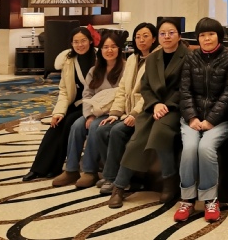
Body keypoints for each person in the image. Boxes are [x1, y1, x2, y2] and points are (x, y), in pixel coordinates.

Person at [107, 18, 187, 210]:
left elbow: (185, 87)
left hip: (175, 108)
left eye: (171, 33)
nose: (167, 37)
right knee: (137, 139)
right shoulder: (152, 58)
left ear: (179, 36)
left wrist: (165, 105)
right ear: (158, 37)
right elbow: (145, 87)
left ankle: (169, 181)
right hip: (152, 106)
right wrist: (155, 104)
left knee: (160, 133)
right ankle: (119, 186)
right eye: (163, 33)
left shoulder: (188, 57)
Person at [175, 17, 228, 223]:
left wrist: (211, 120)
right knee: (189, 148)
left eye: (211, 34)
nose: (207, 38)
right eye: (202, 35)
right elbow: (184, 90)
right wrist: (192, 117)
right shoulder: (190, 58)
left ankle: (210, 199)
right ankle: (187, 199)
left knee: (205, 148)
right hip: (192, 119)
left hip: (221, 120)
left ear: (219, 36)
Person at [52, 30, 124, 188]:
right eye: (105, 47)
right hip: (96, 111)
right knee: (77, 125)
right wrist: (89, 115)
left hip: (114, 112)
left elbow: (124, 94)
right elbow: (87, 94)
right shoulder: (95, 70)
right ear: (101, 49)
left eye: (113, 47)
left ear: (119, 49)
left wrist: (108, 113)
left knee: (95, 126)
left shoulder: (125, 69)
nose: (109, 50)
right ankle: (71, 169)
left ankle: (90, 171)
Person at [22, 27, 95, 182]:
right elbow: (64, 90)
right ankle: (38, 168)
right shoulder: (69, 60)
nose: (80, 45)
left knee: (69, 123)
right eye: (76, 42)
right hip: (76, 103)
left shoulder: (98, 58)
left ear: (90, 41)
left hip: (93, 104)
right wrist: (59, 112)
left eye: (83, 41)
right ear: (71, 44)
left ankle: (56, 167)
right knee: (56, 125)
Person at [95, 22, 158, 195]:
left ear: (154, 39)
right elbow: (122, 89)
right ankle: (113, 174)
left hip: (143, 113)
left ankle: (110, 178)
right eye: (138, 37)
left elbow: (150, 93)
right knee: (102, 130)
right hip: (126, 112)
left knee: (117, 132)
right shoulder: (131, 59)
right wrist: (115, 113)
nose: (141, 40)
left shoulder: (156, 60)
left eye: (145, 36)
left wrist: (134, 114)